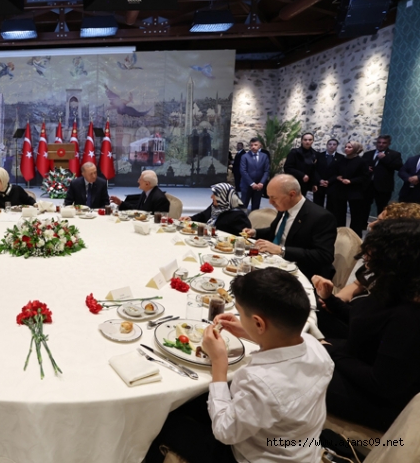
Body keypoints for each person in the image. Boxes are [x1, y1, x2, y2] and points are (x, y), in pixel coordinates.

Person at [146, 268, 333, 463]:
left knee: (163, 420)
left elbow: (224, 431)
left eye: (241, 313)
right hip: (299, 447)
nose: (239, 318)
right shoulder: (315, 347)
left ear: (259, 324)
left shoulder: (261, 382)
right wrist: (247, 330)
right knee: (195, 401)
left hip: (257, 456)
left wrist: (219, 362)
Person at [314, 219, 420, 432]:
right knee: (299, 341)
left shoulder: (410, 316)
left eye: (373, 249)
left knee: (293, 368)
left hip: (376, 401)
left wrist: (332, 352)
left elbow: (381, 384)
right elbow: (369, 323)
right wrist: (331, 301)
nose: (365, 255)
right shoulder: (393, 286)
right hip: (358, 362)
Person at [312, 202, 420, 338]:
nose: (371, 225)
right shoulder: (384, 262)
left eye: (381, 222)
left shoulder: (402, 291)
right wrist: (332, 301)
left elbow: (367, 326)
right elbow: (357, 286)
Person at [242, 174, 337, 281]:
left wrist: (282, 250)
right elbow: (278, 231)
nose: (270, 202)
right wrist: (255, 232)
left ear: (292, 194)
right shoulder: (285, 206)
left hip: (298, 273)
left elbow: (324, 256)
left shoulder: (321, 217)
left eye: (274, 197)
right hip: (272, 264)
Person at [329, 141, 369, 237]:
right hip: (341, 189)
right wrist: (338, 177)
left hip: (355, 191)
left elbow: (365, 177)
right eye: (346, 147)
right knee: (339, 214)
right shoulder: (341, 160)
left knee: (356, 215)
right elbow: (334, 172)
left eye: (349, 147)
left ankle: (354, 236)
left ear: (355, 149)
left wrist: (351, 181)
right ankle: (340, 234)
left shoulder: (361, 161)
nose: (346, 149)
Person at [182, 183, 250, 235]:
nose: (211, 197)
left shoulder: (238, 215)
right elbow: (203, 215)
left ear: (223, 196)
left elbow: (243, 237)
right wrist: (191, 218)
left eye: (215, 195)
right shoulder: (216, 206)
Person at [363, 135, 403, 216]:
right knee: (364, 207)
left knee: (382, 208)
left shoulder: (394, 154)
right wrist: (366, 168)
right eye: (379, 142)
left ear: (389, 144)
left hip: (383, 187)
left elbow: (399, 167)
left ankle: (380, 223)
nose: (381, 144)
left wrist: (384, 158)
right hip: (367, 185)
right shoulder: (368, 154)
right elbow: (361, 167)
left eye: (384, 143)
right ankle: (362, 223)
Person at [283, 132, 319, 197]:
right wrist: (302, 175)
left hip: (304, 185)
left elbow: (313, 171)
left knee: (300, 201)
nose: (307, 142)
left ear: (313, 141)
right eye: (305, 140)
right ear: (302, 141)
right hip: (293, 182)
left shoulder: (314, 154)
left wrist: (314, 184)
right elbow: (287, 168)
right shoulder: (294, 152)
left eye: (310, 140)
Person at [239, 138, 270, 211]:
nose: (253, 147)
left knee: (256, 206)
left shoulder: (264, 156)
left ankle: (254, 218)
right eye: (251, 145)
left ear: (260, 146)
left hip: (259, 185)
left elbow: (266, 171)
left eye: (255, 145)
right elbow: (243, 171)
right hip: (247, 185)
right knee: (243, 205)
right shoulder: (245, 156)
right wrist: (252, 184)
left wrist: (262, 183)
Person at [313, 138, 344, 210]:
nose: (331, 146)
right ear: (327, 145)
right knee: (317, 205)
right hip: (319, 183)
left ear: (337, 146)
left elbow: (340, 172)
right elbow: (314, 170)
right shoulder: (319, 155)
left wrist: (328, 181)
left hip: (333, 184)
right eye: (330, 144)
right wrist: (320, 180)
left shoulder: (341, 157)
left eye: (334, 144)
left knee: (331, 205)